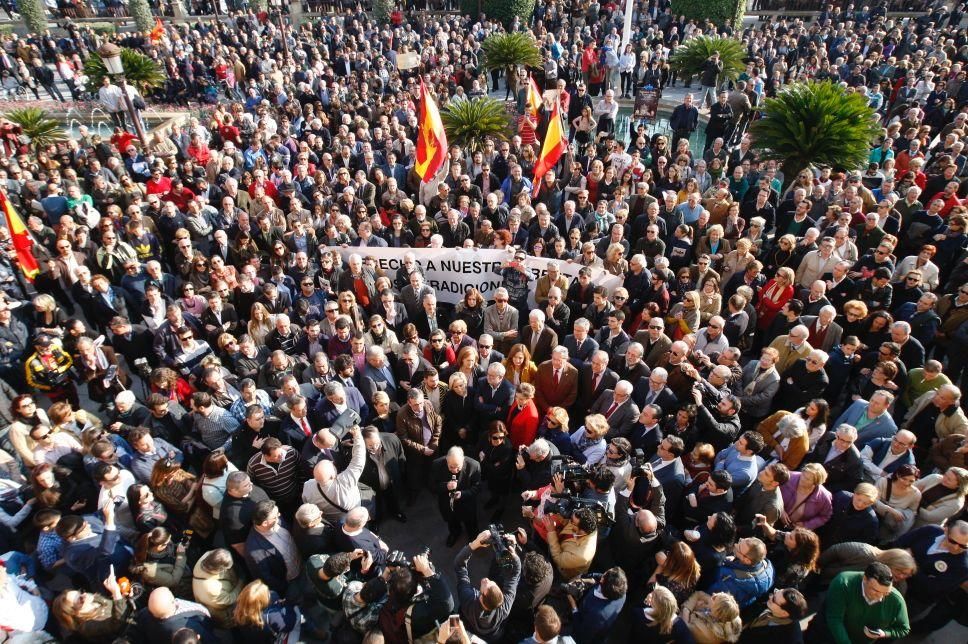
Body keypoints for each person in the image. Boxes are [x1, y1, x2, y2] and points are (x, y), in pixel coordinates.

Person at [807, 562, 910, 643]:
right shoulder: (843, 583)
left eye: (886, 593)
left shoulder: (897, 600)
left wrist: (884, 633)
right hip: (823, 635)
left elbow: (904, 629)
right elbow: (835, 619)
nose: (880, 597)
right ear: (864, 579)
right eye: (875, 591)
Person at [454, 528, 521, 640]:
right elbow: (514, 576)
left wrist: (474, 544)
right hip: (493, 636)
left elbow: (459, 565)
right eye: (491, 583)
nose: (486, 580)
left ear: (481, 597)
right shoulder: (505, 608)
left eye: (486, 584)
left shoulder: (468, 600)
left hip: (468, 625)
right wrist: (515, 555)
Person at [432, 446, 482, 547]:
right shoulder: (437, 465)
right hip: (447, 504)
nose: (454, 470)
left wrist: (463, 494)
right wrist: (446, 486)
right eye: (451, 467)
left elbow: (477, 488)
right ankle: (455, 533)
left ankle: (473, 536)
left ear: (463, 459)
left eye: (458, 467)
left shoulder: (474, 465)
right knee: (452, 521)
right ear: (446, 459)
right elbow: (431, 485)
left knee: (471, 523)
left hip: (467, 503)